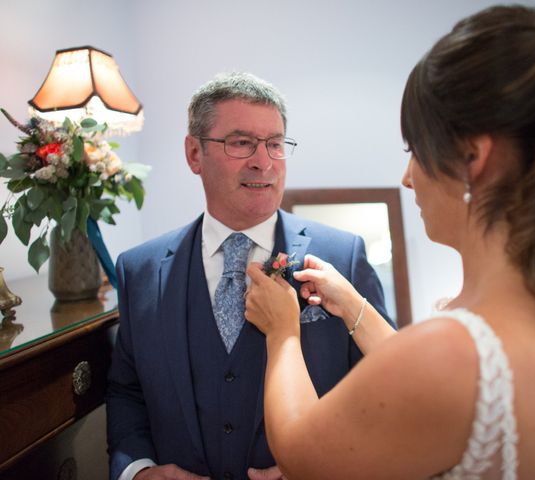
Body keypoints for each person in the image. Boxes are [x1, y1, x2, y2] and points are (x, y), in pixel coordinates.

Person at [244, 4, 535, 479]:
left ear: (472, 156)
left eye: (414, 150)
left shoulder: (453, 353)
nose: (407, 178)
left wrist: (283, 332)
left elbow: (301, 453)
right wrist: (353, 307)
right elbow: (440, 399)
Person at [106, 72, 393, 480]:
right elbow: (127, 391)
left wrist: (328, 465)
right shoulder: (138, 270)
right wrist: (137, 470)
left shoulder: (342, 256)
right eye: (241, 142)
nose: (264, 161)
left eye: (275, 144)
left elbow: (381, 389)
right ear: (194, 153)